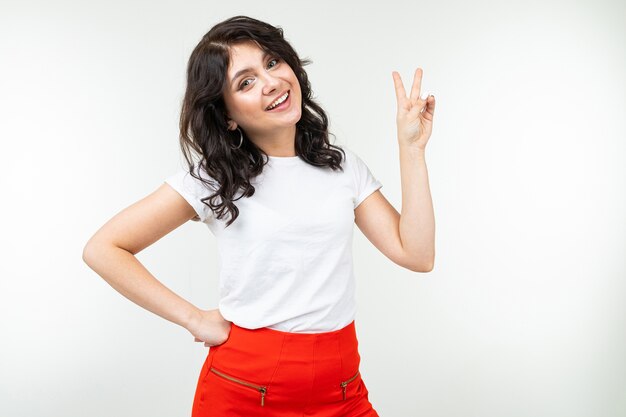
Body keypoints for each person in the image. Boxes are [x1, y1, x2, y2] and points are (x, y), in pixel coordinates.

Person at [82, 15, 436, 417]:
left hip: (342, 389)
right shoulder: (215, 178)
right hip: (246, 390)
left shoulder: (342, 168)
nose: (270, 83)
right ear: (227, 115)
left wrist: (412, 150)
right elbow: (104, 248)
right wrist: (194, 319)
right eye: (245, 82)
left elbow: (417, 254)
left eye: (271, 63)